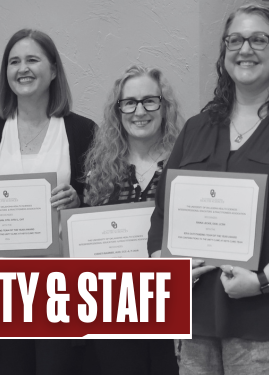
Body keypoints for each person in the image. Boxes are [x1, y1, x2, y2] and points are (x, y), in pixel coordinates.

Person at [148, 3, 269, 374]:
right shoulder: (198, 127)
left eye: (259, 39)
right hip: (197, 319)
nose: (245, 49)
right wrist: (163, 264)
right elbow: (164, 211)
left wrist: (263, 282)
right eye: (235, 40)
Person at [0, 29, 97, 374]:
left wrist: (77, 201)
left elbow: (99, 206)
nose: (22, 69)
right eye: (14, 61)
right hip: (1, 286)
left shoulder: (83, 131)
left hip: (62, 286)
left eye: (32, 59)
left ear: (53, 70)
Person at [83, 64, 182, 374]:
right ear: (118, 111)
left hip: (172, 308)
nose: (140, 110)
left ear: (164, 108)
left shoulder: (185, 163)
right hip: (115, 312)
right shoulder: (100, 172)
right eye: (129, 102)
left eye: (150, 101)